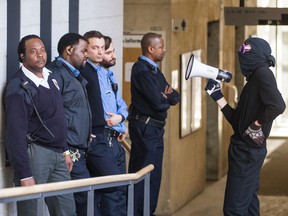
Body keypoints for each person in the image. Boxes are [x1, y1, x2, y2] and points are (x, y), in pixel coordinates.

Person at [205, 37, 286, 216]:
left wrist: (257, 124)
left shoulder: (262, 73)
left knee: (234, 209)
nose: (242, 53)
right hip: (242, 150)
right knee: (248, 204)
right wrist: (218, 97)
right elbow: (238, 123)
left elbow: (278, 105)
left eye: (246, 49)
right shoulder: (253, 81)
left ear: (258, 53)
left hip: (247, 152)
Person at [4, 34, 76, 216]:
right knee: (31, 211)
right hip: (35, 155)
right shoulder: (18, 86)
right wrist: (25, 174)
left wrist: (65, 151)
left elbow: (56, 119)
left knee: (66, 210)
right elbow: (15, 133)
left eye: (43, 50)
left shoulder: (51, 78)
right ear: (22, 56)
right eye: (33, 51)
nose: (40, 55)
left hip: (58, 155)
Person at [128, 32, 180, 216]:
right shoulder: (141, 70)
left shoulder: (154, 70)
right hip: (145, 128)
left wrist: (166, 96)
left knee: (154, 176)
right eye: (161, 47)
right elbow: (159, 103)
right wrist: (164, 97)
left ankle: (148, 212)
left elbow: (175, 96)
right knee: (144, 176)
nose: (164, 50)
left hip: (155, 129)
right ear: (151, 49)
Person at [80, 31, 128, 216]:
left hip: (116, 138)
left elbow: (122, 105)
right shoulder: (88, 73)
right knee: (112, 191)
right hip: (100, 138)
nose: (102, 53)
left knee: (119, 191)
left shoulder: (108, 74)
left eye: (104, 49)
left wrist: (121, 119)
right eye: (97, 48)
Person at [46, 33, 93, 216]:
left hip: (79, 147)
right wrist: (65, 148)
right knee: (80, 198)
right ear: (69, 50)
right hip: (69, 149)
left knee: (82, 198)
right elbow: (54, 114)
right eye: (84, 51)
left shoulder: (73, 74)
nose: (87, 55)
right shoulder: (56, 73)